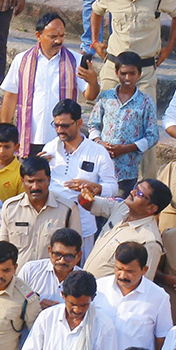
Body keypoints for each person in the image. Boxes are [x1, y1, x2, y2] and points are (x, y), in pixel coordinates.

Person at [90, 0, 176, 107]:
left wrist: (169, 47)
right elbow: (96, 11)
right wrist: (95, 41)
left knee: (145, 118)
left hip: (144, 71)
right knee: (105, 115)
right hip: (114, 67)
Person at [0, 13, 96, 158]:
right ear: (38, 35)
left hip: (62, 139)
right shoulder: (22, 60)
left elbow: (90, 95)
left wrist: (93, 82)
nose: (58, 40)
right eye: (53, 36)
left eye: (62, 36)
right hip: (30, 137)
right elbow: (10, 96)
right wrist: (5, 132)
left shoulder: (75, 60)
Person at [40, 99, 116, 255]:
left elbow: (113, 188)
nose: (60, 130)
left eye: (65, 126)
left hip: (83, 223)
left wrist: (95, 187)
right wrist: (37, 165)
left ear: (79, 123)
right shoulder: (49, 148)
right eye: (56, 125)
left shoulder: (97, 152)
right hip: (51, 222)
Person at [87, 52, 161, 193]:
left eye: (132, 74)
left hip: (127, 170)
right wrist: (100, 142)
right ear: (116, 73)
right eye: (123, 73)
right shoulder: (106, 97)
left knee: (119, 207)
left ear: (139, 74)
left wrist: (126, 148)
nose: (127, 78)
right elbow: (93, 124)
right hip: (101, 165)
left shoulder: (145, 102)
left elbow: (152, 136)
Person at [0, 156, 82, 264]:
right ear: (22, 181)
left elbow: (75, 252)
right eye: (30, 181)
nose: (35, 187)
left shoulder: (68, 210)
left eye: (40, 181)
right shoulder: (10, 207)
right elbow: (3, 248)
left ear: (49, 180)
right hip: (18, 278)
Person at [92, 243, 172, 350]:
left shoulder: (159, 297)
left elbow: (162, 339)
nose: (122, 276)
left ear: (144, 270)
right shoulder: (98, 288)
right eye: (118, 269)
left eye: (130, 272)